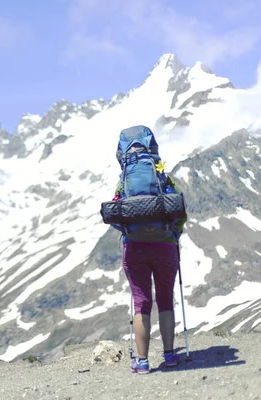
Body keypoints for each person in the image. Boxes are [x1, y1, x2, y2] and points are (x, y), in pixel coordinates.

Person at [110, 125, 188, 374]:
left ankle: (142, 361)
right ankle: (170, 356)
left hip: (134, 249)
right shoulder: (163, 177)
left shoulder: (123, 183)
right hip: (165, 247)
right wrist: (173, 234)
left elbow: (116, 213)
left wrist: (127, 234)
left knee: (141, 303)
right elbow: (180, 211)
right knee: (165, 301)